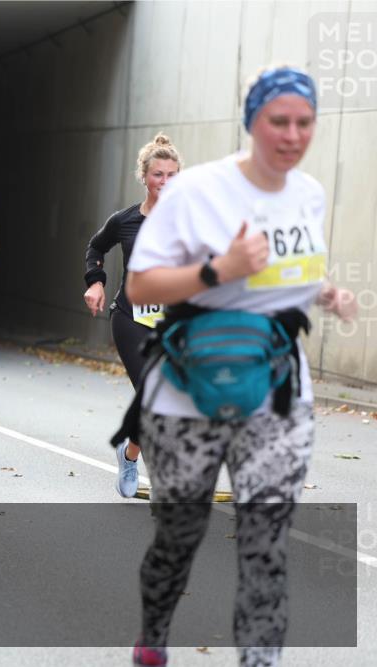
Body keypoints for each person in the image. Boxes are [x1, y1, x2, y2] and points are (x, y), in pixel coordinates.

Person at [121, 66, 357, 667]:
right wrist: (216, 271)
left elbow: (289, 267)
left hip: (277, 393)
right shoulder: (197, 190)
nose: (292, 134)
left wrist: (326, 292)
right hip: (188, 393)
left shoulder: (308, 192)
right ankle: (153, 636)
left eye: (304, 122)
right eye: (279, 121)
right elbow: (141, 281)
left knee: (265, 541)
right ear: (252, 121)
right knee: (179, 535)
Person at [84, 134, 182, 497]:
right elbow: (96, 247)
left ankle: (129, 453)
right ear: (144, 176)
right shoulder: (125, 220)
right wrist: (95, 282)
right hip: (131, 318)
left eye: (172, 175)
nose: (165, 182)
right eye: (159, 174)